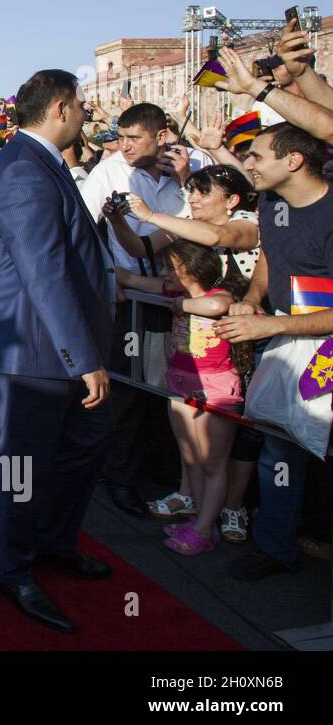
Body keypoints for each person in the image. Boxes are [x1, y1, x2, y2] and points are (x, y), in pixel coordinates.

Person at [0, 69, 116, 634]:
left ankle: (51, 541)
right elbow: (43, 272)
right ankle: (13, 570)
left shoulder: (35, 163)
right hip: (35, 350)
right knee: (22, 468)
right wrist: (84, 358)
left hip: (54, 346)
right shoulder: (25, 170)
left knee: (89, 441)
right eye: (80, 105)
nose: (85, 114)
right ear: (59, 107)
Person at [216, 123, 333, 580]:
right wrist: (253, 295)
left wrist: (271, 323)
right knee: (279, 448)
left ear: (293, 161)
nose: (246, 164)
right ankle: (275, 546)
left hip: (320, 347)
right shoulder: (271, 201)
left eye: (257, 156)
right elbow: (269, 255)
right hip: (286, 341)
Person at [80, 103, 190, 518]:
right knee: (126, 389)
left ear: (162, 136)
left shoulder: (190, 165)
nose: (123, 147)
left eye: (133, 139)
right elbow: (84, 226)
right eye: (119, 137)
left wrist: (188, 177)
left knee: (172, 388)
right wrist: (108, 276)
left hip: (180, 300)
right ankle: (120, 479)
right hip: (128, 300)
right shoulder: (108, 170)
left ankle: (168, 473)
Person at [117, 240, 251, 555]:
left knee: (212, 463)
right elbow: (132, 278)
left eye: (169, 268)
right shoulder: (174, 291)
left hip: (214, 388)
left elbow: (217, 307)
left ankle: (204, 527)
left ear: (188, 271)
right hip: (179, 384)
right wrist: (114, 278)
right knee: (191, 458)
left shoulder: (219, 295)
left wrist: (184, 306)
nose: (163, 273)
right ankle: (202, 522)